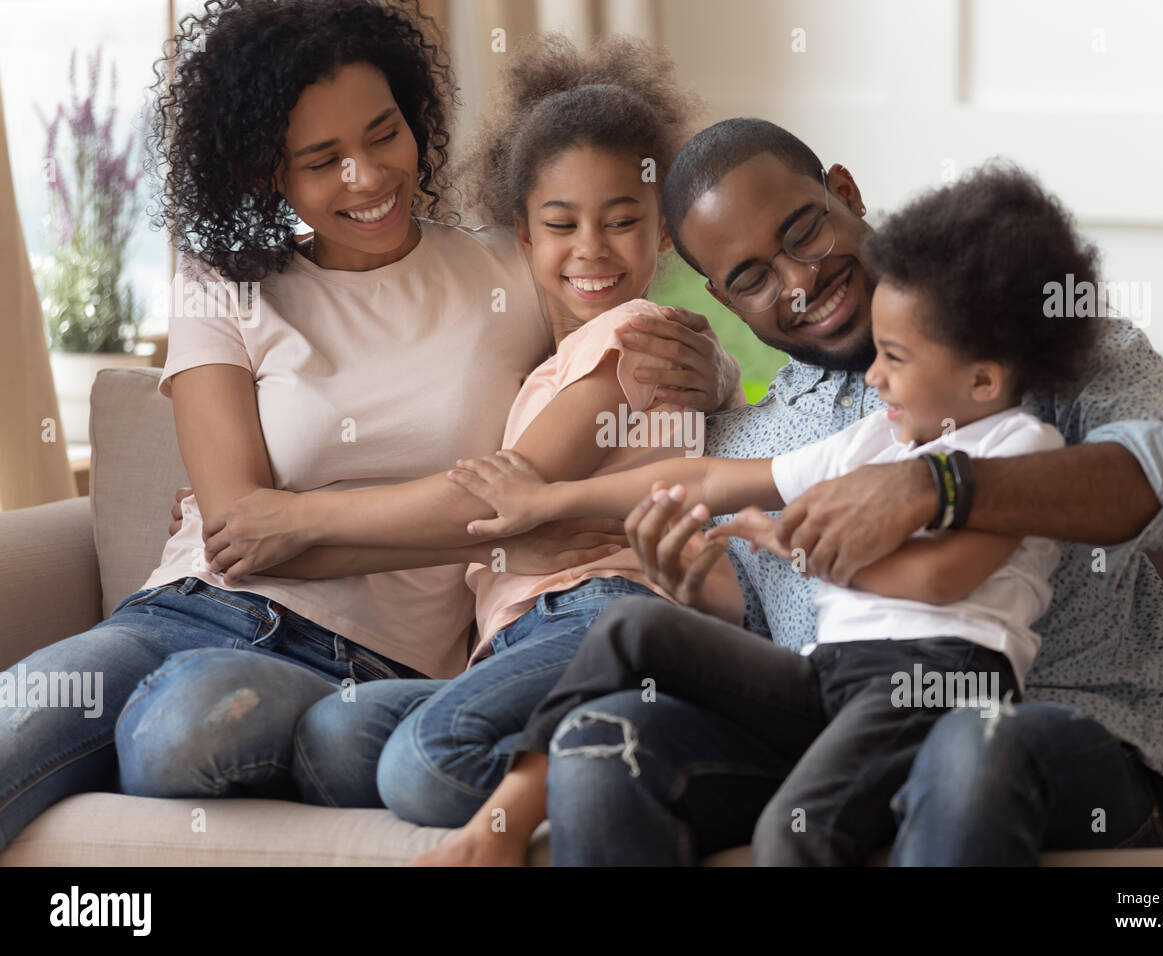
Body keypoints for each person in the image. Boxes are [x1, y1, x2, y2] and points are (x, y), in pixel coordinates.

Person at [0, 1, 735, 849]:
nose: (367, 176)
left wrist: (705, 370)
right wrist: (486, 540)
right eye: (322, 160)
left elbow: (613, 321)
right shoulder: (220, 286)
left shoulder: (508, 263)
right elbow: (241, 533)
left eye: (383, 134)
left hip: (375, 663)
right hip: (193, 609)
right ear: (265, 170)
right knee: (23, 722)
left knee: (180, 735)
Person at [491, 118, 1163, 865]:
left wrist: (937, 485)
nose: (800, 281)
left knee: (970, 745)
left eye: (804, 231)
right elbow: (764, 611)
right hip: (842, 736)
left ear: (843, 194)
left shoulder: (1031, 341)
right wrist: (696, 587)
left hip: (1062, 727)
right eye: (751, 277)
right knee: (604, 743)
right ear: (723, 298)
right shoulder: (755, 434)